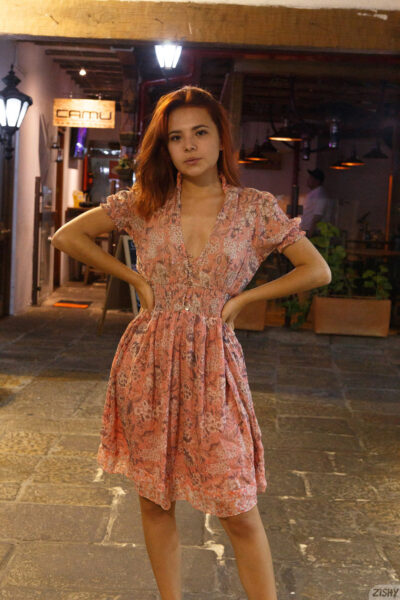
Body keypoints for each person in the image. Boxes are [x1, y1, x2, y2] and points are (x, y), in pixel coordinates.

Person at [51, 85, 331, 600]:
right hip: (148, 361)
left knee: (238, 508)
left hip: (214, 366)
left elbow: (317, 270)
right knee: (155, 500)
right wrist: (134, 279)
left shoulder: (255, 209)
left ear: (222, 139)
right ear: (166, 148)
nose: (189, 145)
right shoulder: (146, 202)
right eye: (176, 137)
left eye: (200, 132)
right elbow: (67, 236)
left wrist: (244, 300)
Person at [301, 168, 332, 237]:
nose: (308, 180)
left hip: (312, 231)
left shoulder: (320, 194)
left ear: (317, 181)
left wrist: (311, 232)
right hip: (307, 229)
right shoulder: (314, 193)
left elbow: (318, 215)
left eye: (310, 178)